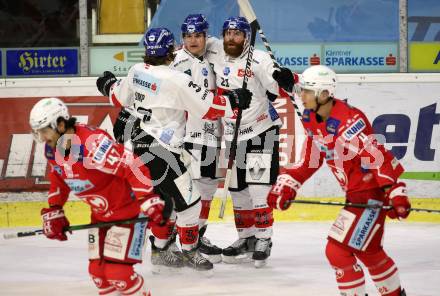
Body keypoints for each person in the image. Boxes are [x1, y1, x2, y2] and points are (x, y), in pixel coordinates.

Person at [96, 27, 252, 272]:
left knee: (166, 202)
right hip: (162, 151)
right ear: (171, 49)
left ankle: (161, 249)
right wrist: (236, 100)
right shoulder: (176, 80)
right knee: (190, 204)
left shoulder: (137, 71)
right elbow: (210, 108)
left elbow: (118, 95)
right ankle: (188, 251)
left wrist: (106, 83)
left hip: (138, 146)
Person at [267, 65, 411, 295]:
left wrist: (395, 191)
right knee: (370, 252)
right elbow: (311, 160)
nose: (301, 95)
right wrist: (287, 185)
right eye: (301, 90)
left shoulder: (349, 122)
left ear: (324, 95)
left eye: (306, 91)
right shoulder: (311, 116)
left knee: (337, 251)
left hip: (369, 195)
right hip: (355, 194)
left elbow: (378, 157)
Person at [29, 97, 171, 296]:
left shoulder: (92, 145)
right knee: (99, 276)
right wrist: (55, 208)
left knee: (119, 275)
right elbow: (59, 177)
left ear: (60, 124)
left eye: (45, 130)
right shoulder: (54, 149)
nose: (43, 137)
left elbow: (132, 165)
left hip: (128, 214)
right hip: (100, 217)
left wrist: (149, 199)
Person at [206, 16, 295, 268]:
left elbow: (275, 82)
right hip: (232, 134)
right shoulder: (215, 49)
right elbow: (194, 44)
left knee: (258, 190)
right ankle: (246, 238)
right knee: (237, 191)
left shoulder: (258, 59)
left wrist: (283, 77)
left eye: (237, 34)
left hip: (260, 131)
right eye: (228, 33)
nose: (231, 38)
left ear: (246, 37)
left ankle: (264, 239)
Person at [171, 13, 223, 264]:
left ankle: (197, 235)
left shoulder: (211, 51)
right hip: (188, 136)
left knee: (209, 186)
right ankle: (179, 239)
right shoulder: (178, 63)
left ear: (205, 36)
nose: (193, 40)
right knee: (189, 190)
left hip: (211, 134)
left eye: (198, 35)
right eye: (188, 36)